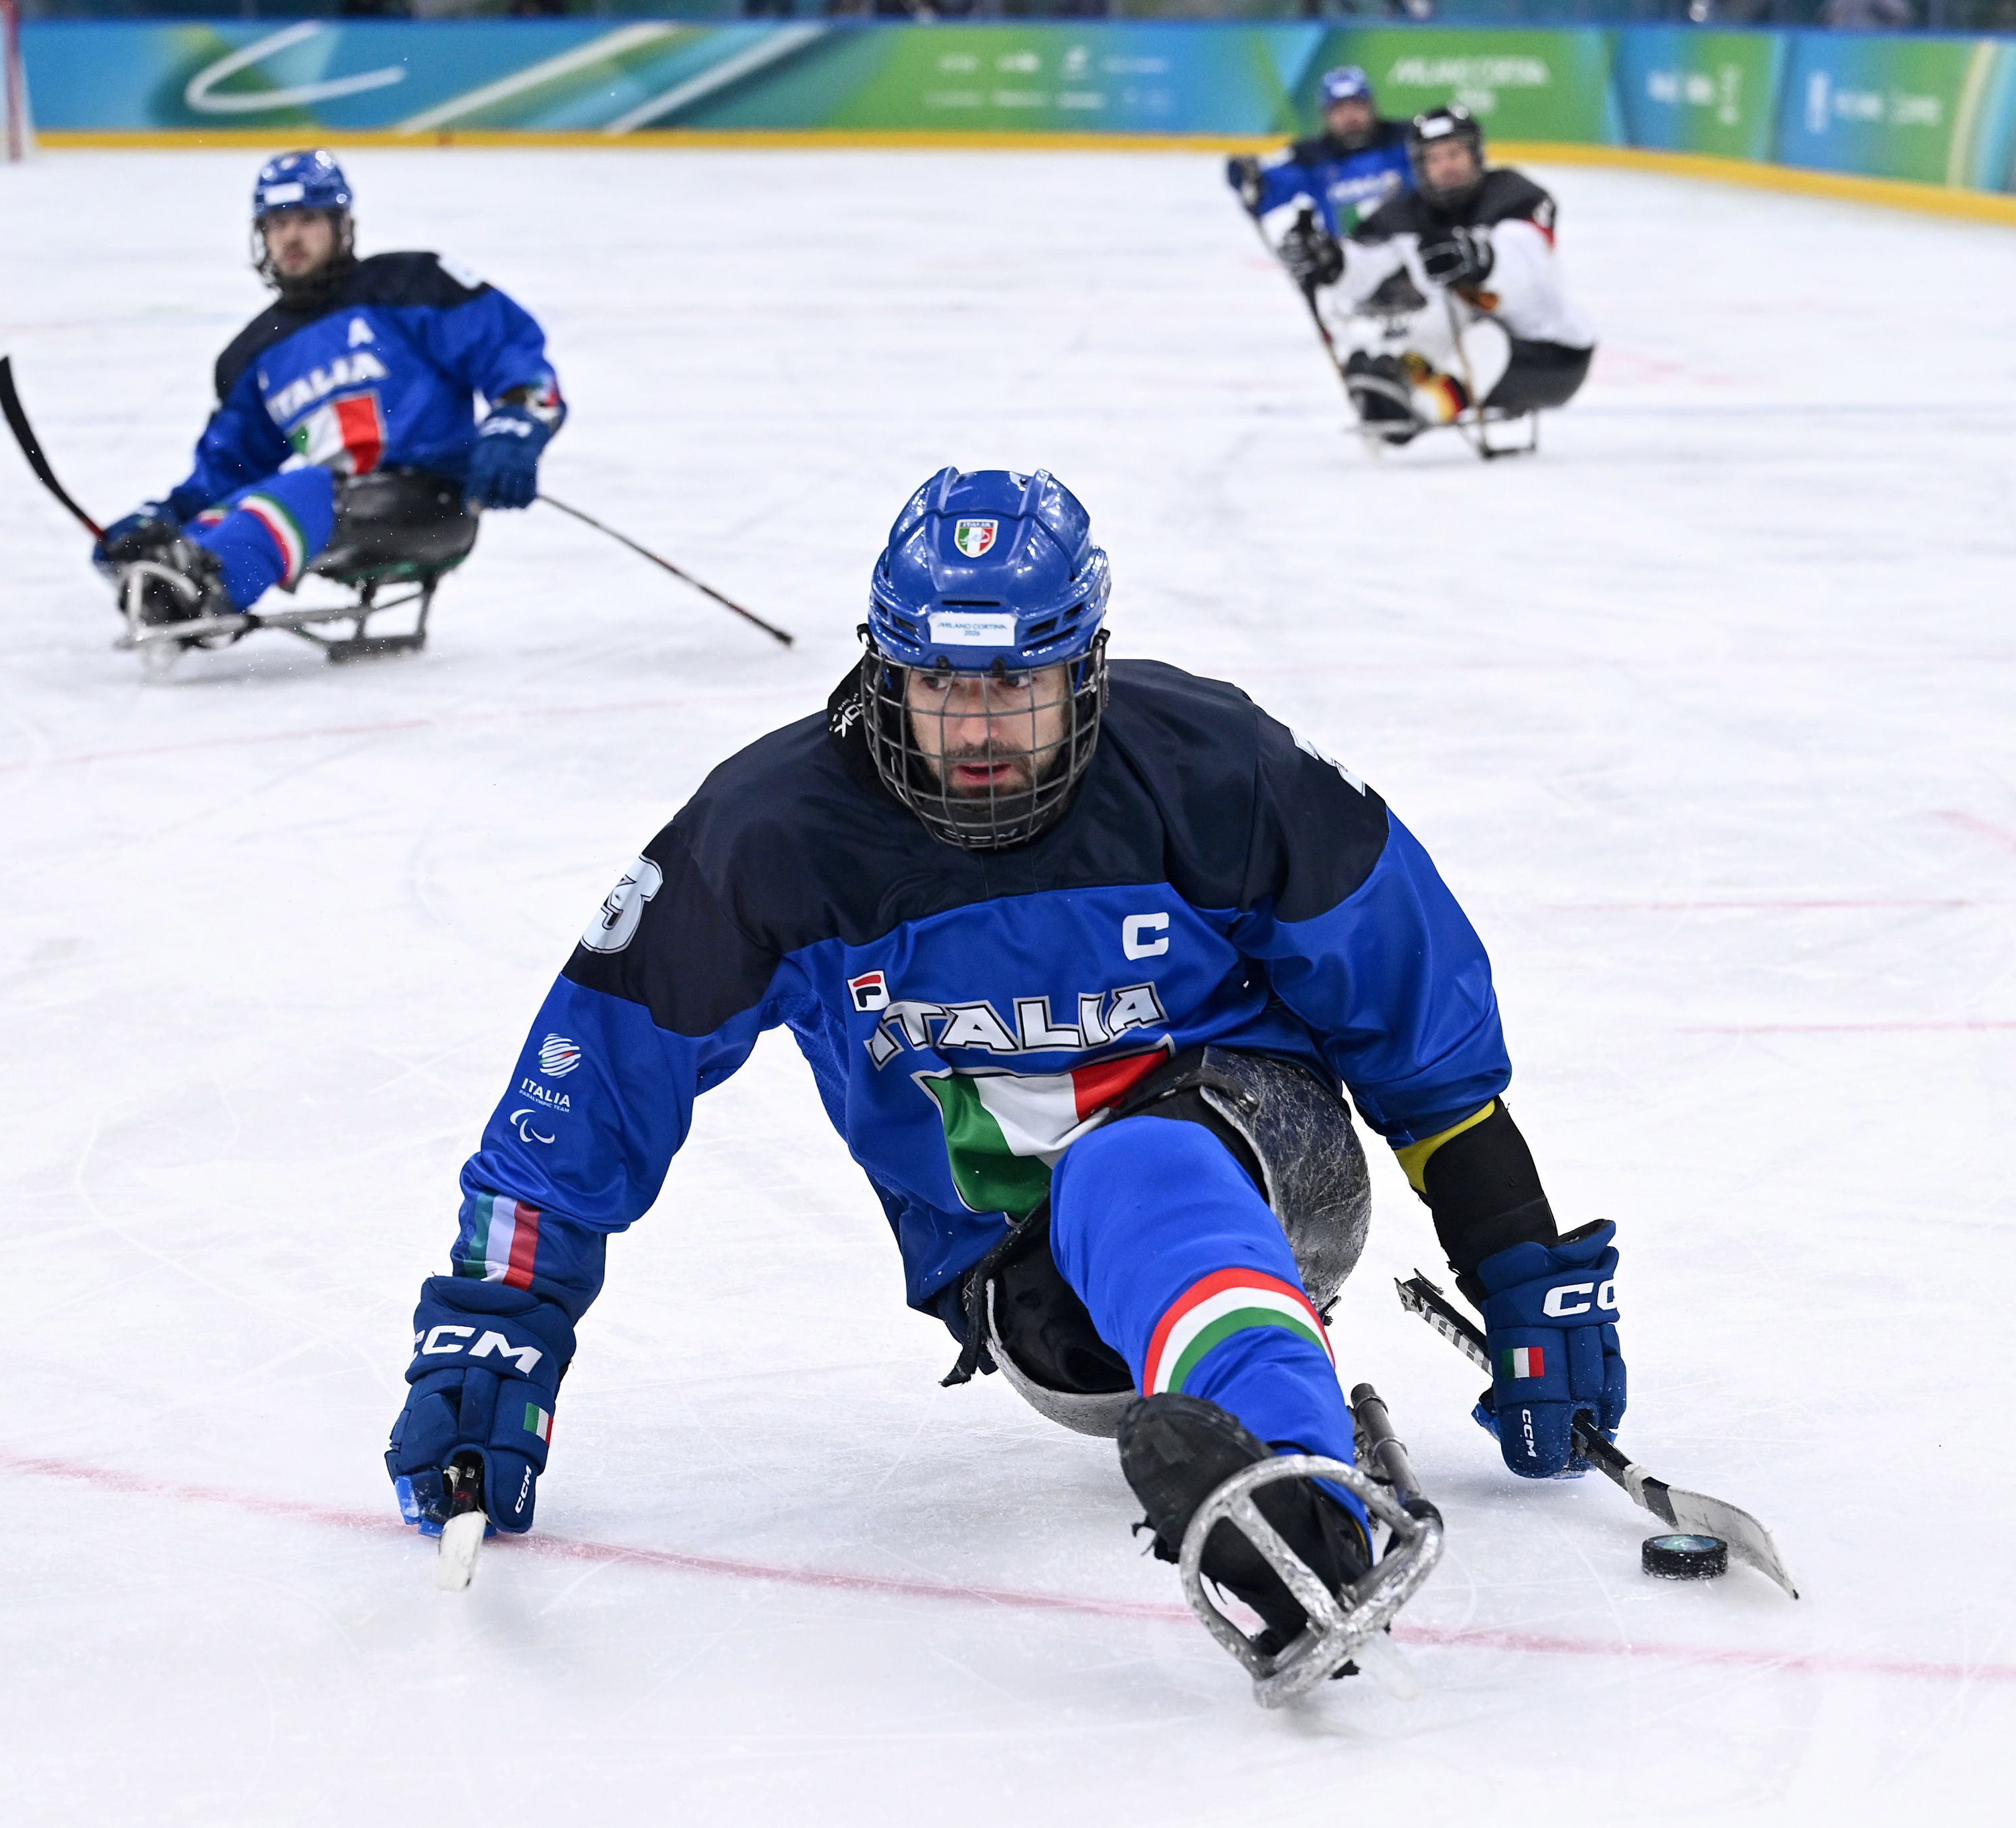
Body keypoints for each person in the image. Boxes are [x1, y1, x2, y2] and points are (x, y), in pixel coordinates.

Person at [382, 469, 1625, 1680]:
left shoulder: (1214, 769)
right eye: (940, 685)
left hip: (1266, 1149)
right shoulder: (769, 838)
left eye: (1019, 684)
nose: (979, 728)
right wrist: (496, 1328)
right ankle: (1225, 1395)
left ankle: (1310, 1497)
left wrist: (1518, 1263)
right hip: (1016, 1269)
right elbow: (592, 1081)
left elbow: (1414, 1022)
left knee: (1143, 1165)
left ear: (1083, 670)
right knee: (1072, 1326)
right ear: (884, 672)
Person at [90, 151, 565, 639]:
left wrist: (516, 426)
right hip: (335, 517)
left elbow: (514, 357)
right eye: (277, 224)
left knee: (305, 488)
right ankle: (169, 580)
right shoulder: (252, 355)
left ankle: (205, 591)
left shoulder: (414, 284)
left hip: (431, 504)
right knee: (224, 515)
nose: (291, 237)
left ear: (342, 225)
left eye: (308, 219)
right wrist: (166, 521)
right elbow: (226, 473)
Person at [1280, 107, 1596, 442]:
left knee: (1486, 334)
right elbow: (1366, 265)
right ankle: (1398, 382)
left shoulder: (1514, 195)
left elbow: (1528, 260)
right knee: (1438, 319)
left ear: (1476, 153)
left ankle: (1422, 407)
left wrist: (1480, 257)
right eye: (1434, 158)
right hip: (1472, 339)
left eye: (1454, 153)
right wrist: (1330, 261)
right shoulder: (1410, 213)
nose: (1446, 166)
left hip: (1557, 355)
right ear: (1419, 166)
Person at [1226, 66, 1413, 249]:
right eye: (1340, 109)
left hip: (1412, 260)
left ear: (1371, 107)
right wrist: (1250, 179)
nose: (1350, 116)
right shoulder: (1313, 159)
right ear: (1326, 115)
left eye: (1357, 105)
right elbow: (1268, 193)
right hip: (1351, 269)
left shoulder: (1404, 141)